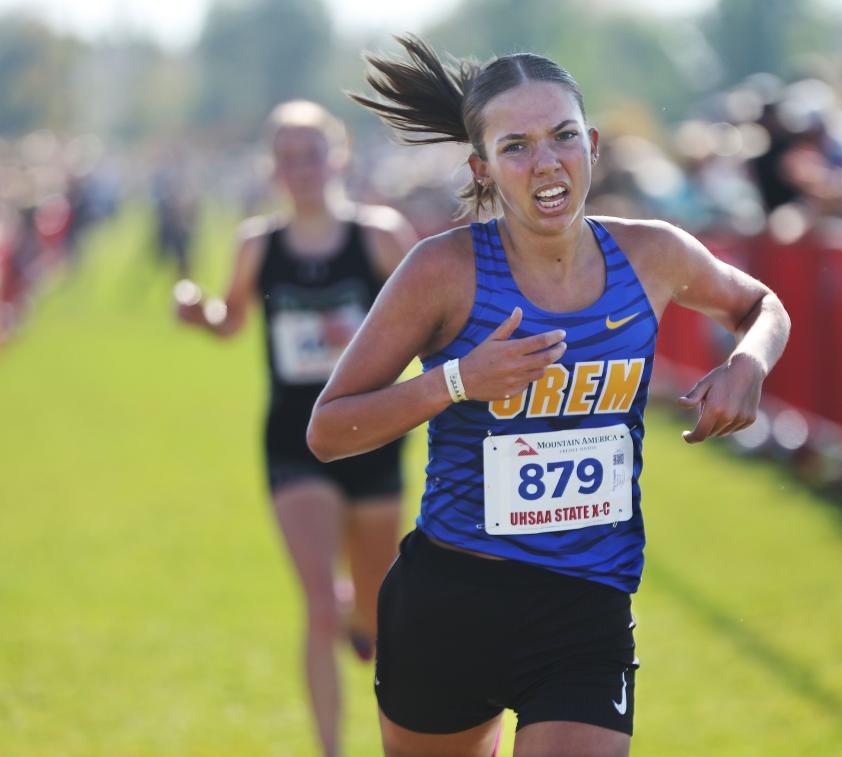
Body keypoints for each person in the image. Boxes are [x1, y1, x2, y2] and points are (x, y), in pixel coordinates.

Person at [307, 37, 791, 757]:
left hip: (586, 602)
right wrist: (459, 380)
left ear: (591, 145)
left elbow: (761, 305)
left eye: (564, 135)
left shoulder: (652, 253)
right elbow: (329, 429)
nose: (546, 162)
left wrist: (748, 362)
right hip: (451, 598)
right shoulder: (443, 271)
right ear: (483, 168)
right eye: (517, 146)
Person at [173, 100, 416, 757]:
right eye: (286, 158)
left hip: (374, 435)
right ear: (273, 169)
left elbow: (430, 316)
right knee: (314, 600)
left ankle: (356, 616)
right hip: (296, 439)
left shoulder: (379, 235)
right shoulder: (259, 243)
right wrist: (201, 312)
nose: (300, 169)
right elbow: (232, 320)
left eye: (311, 155)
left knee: (375, 612)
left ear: (337, 158)